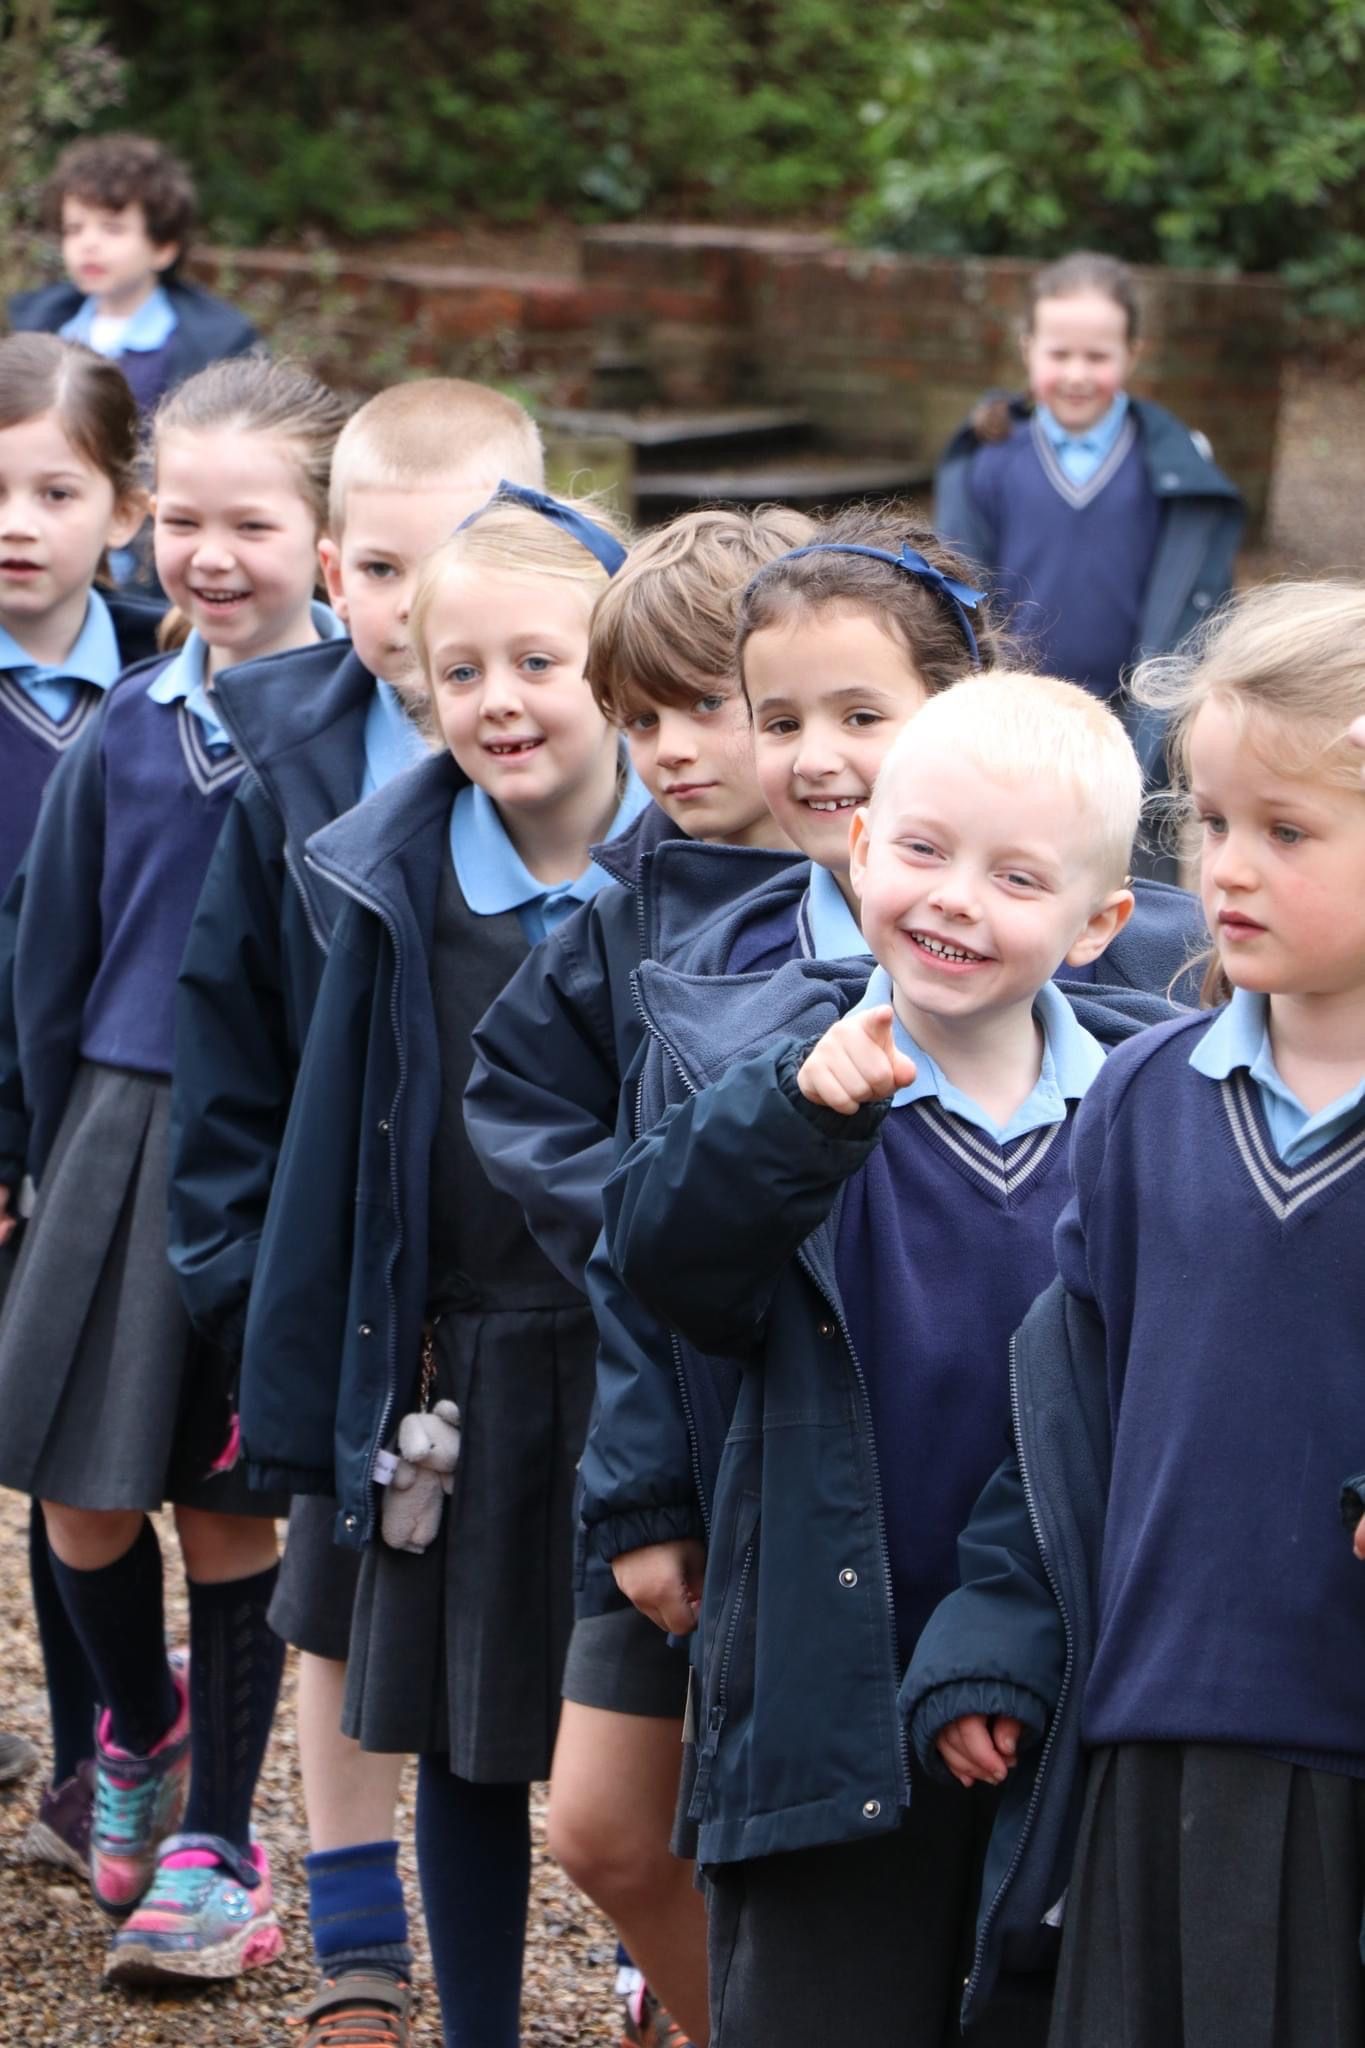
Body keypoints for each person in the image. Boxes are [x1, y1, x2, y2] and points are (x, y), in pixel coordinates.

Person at [602, 672, 1156, 2046]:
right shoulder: (786, 1085)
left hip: (1059, 1675)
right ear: (861, 851)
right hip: (827, 1673)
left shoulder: (1138, 1125)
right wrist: (790, 1122)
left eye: (1014, 875)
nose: (954, 897)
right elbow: (660, 1259)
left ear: (1096, 928)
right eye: (921, 851)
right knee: (818, 1998)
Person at [906, 581, 1365, 2048]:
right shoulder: (1139, 1100)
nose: (1225, 868)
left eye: (1286, 833)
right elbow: (1063, 1416)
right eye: (1211, 821)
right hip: (1145, 1724)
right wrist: (996, 1633)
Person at [238, 486, 648, 2048]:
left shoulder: (698, 877)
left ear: (613, 667)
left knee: (648, 1723)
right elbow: (329, 1152)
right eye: (456, 672)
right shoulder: (384, 881)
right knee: (469, 1739)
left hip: (635, 1365)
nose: (496, 702)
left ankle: (660, 1979)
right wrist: (304, 1387)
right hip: (453, 1367)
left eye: (534, 663)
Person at [168, 377, 545, 2048]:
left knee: (512, 1623)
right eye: (386, 572)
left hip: (514, 1271)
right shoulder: (282, 755)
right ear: (336, 573)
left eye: (464, 563)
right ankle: (351, 1924)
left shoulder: (571, 756)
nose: (421, 609)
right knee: (336, 1566)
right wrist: (240, 1284)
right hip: (347, 1261)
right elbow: (225, 1048)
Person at [0, 355, 346, 1987]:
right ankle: (134, 1725)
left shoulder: (371, 740)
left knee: (226, 1507)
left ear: (325, 537)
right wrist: (41, 1148)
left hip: (269, 1156)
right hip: (109, 1139)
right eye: (188, 520)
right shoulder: (125, 726)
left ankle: (218, 1836)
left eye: (253, 523)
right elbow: (45, 965)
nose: (213, 554)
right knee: (75, 1495)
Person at [465, 505, 813, 2048]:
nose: (671, 748)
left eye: (706, 706)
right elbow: (516, 1098)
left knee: (789, 1831)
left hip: (819, 1433)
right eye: (642, 716)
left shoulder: (903, 896)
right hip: (659, 1425)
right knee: (603, 1829)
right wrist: (660, 1216)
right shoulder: (621, 905)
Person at [0, 331, 161, 1809]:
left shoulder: (175, 683)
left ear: (122, 511)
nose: (14, 525)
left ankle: (92, 1748)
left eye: (54, 491)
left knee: (75, 1442)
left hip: (108, 1121)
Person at [934, 250, 1243, 790]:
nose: (1077, 374)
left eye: (1097, 356)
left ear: (1132, 354)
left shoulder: (1172, 463)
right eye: (1060, 354)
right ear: (1029, 349)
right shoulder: (990, 461)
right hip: (1018, 722)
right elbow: (963, 590)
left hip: (1136, 725)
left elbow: (1200, 599)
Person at [9, 134, 258, 418]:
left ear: (163, 248)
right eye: (74, 229)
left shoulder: (220, 343)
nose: (88, 244)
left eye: (113, 229)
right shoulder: (35, 323)